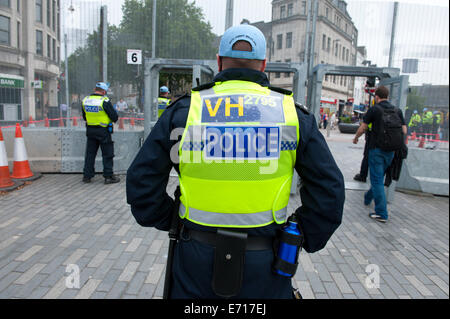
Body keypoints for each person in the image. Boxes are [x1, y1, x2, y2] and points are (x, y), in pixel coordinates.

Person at [126, 24, 345, 299]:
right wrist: (301, 236)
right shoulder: (291, 115)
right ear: (264, 64)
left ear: (218, 62)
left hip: (195, 257)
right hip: (268, 261)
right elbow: (330, 192)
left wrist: (171, 220)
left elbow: (141, 183)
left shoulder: (186, 111)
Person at [353, 86, 407, 223]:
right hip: (392, 151)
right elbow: (404, 130)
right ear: (387, 96)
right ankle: (368, 197)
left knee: (376, 180)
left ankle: (381, 213)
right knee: (379, 178)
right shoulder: (397, 110)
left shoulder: (375, 109)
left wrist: (356, 138)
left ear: (376, 97)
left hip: (376, 150)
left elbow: (363, 127)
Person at [81, 82, 120, 184]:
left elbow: (84, 117)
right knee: (107, 154)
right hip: (103, 131)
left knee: (90, 154)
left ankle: (87, 176)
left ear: (95, 89)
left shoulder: (85, 100)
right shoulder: (104, 101)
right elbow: (114, 116)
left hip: (90, 130)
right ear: (104, 91)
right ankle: (108, 176)